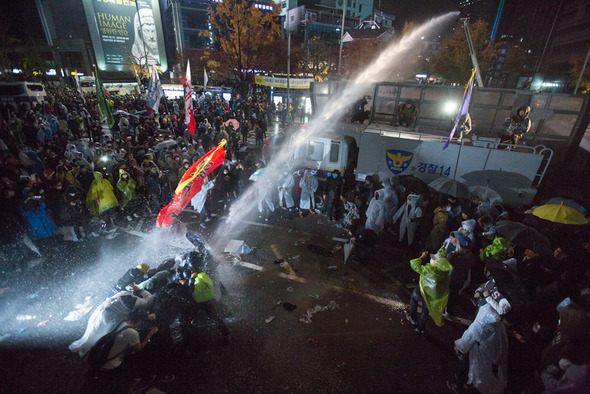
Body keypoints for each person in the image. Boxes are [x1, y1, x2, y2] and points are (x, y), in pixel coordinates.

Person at [69, 285, 155, 357]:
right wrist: (140, 290)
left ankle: (82, 349)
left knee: (92, 332)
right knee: (101, 336)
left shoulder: (122, 293)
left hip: (102, 313)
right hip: (112, 321)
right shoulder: (138, 302)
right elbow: (150, 299)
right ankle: (90, 352)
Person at [406, 251, 452, 333]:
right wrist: (442, 249)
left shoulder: (430, 269)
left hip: (423, 290)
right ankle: (420, 327)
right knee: (426, 310)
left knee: (414, 298)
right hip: (434, 294)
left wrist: (422, 256)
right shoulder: (444, 271)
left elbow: (414, 265)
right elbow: (441, 257)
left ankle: (413, 318)